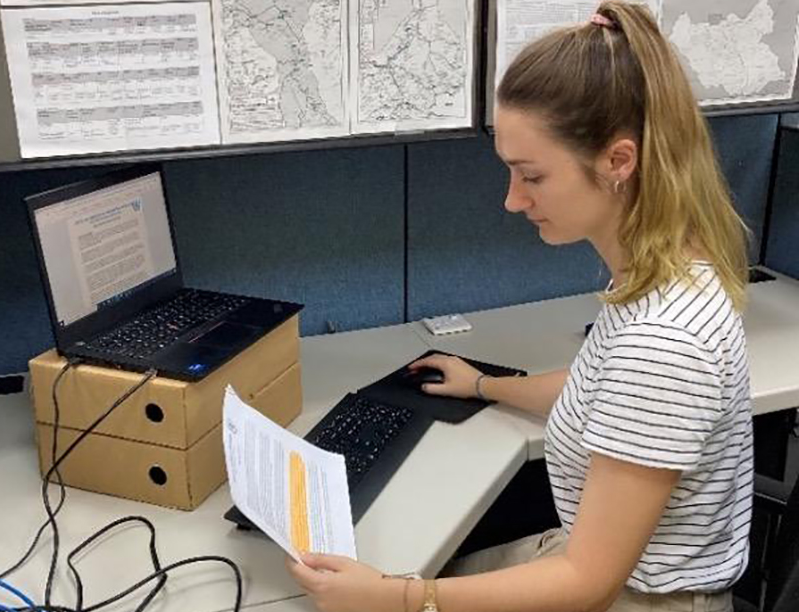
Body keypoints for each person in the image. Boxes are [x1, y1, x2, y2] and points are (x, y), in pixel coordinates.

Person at [287, 2, 752, 611]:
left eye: (531, 175)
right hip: (600, 562)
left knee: (394, 582)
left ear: (618, 161)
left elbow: (589, 582)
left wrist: (400, 600)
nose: (512, 200)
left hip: (641, 599)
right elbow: (602, 392)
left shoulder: (662, 343)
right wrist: (483, 385)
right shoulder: (662, 271)